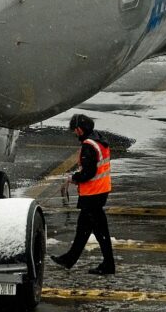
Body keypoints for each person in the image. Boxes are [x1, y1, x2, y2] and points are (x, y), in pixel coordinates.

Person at [51, 113, 116, 275]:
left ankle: (108, 265)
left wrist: (73, 178)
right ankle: (69, 259)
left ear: (80, 130)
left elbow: (89, 172)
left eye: (74, 130)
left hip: (92, 194)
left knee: (99, 232)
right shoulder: (99, 140)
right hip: (100, 191)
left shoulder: (88, 145)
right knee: (84, 229)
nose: (74, 133)